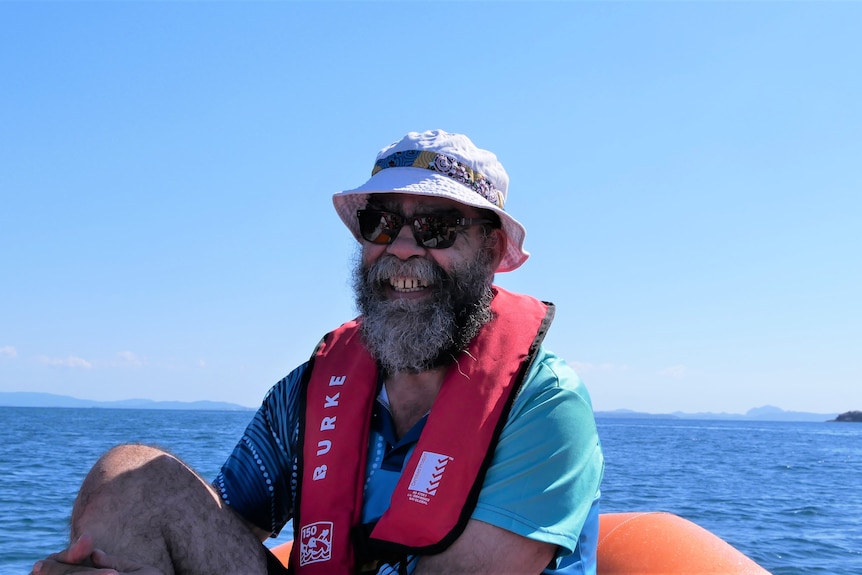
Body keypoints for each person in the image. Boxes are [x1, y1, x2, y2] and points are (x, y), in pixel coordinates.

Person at [32, 130, 604, 575]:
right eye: (379, 224)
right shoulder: (311, 392)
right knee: (132, 477)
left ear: (493, 247)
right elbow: (219, 523)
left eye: (437, 227)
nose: (401, 248)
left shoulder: (545, 406)